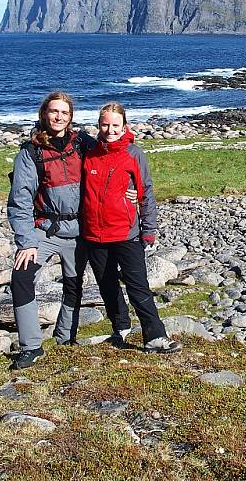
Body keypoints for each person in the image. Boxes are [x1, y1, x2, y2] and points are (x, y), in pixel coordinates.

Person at [80, 102, 182, 354]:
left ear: (124, 126)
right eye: (105, 124)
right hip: (94, 234)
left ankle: (155, 336)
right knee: (107, 285)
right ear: (98, 125)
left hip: (126, 233)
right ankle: (121, 328)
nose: (110, 130)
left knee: (138, 286)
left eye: (115, 125)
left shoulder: (134, 153)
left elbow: (145, 191)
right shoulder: (89, 152)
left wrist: (149, 228)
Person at [6, 91, 94, 369]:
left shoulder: (83, 143)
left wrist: (131, 190)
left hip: (80, 231)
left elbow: (111, 164)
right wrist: (26, 241)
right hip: (44, 230)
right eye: (54, 111)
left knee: (74, 284)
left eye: (64, 113)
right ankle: (31, 346)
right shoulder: (30, 152)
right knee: (21, 279)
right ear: (44, 114)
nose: (59, 117)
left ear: (71, 117)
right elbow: (19, 200)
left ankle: (66, 338)